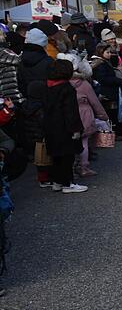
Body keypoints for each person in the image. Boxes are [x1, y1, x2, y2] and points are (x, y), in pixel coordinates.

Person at [15, 28, 53, 187]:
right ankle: (54, 174)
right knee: (51, 137)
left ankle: (42, 175)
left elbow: (20, 84)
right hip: (47, 103)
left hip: (30, 104)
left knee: (36, 139)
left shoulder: (21, 61)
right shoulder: (48, 62)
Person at [42, 59, 85, 193]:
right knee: (67, 157)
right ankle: (68, 183)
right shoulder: (67, 88)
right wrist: (76, 129)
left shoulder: (47, 87)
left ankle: (57, 181)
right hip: (65, 127)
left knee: (56, 156)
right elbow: (70, 111)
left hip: (50, 126)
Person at [66, 52, 107, 178]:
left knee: (70, 141)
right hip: (84, 113)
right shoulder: (83, 83)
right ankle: (83, 166)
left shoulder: (63, 82)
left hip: (68, 114)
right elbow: (94, 101)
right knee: (84, 141)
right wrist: (102, 115)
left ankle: (71, 168)